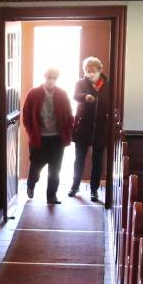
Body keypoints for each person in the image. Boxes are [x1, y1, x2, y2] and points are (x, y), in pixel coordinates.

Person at [22, 67, 73, 204]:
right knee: (36, 166)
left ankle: (51, 196)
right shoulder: (33, 94)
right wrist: (31, 131)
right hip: (40, 138)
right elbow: (26, 115)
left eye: (54, 78)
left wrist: (68, 130)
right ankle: (31, 184)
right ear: (45, 78)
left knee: (55, 170)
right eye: (49, 78)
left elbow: (69, 114)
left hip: (57, 138)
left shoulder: (62, 94)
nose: (51, 81)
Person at [68, 55, 112, 202]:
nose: (90, 73)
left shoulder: (107, 84)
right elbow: (75, 95)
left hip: (100, 128)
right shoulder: (81, 83)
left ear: (100, 70)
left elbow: (111, 102)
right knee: (79, 158)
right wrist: (85, 96)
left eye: (93, 70)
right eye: (87, 70)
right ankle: (75, 186)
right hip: (83, 127)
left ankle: (94, 189)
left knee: (98, 161)